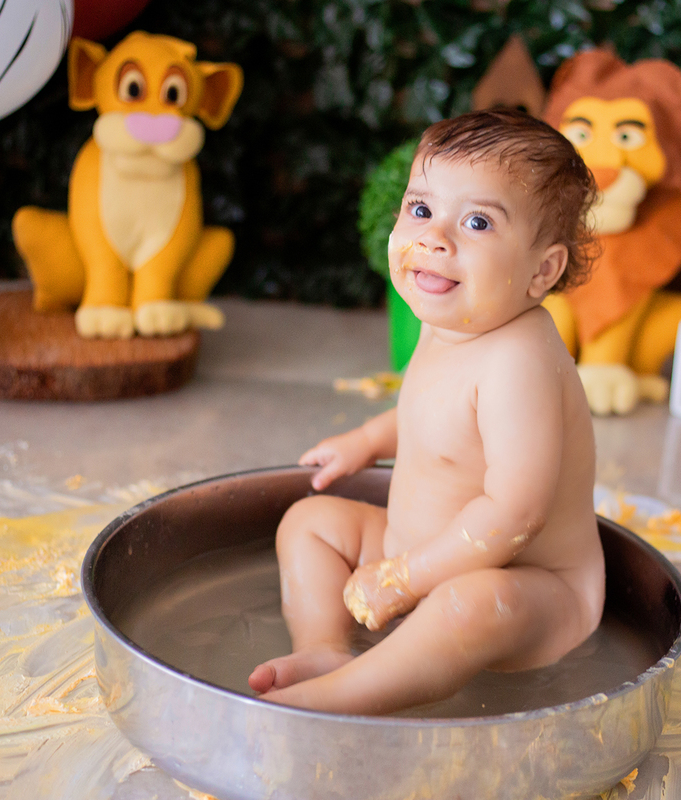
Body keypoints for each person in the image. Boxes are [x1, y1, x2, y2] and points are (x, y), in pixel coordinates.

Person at [248, 108, 604, 714]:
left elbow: (516, 513)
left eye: (476, 222)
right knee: (307, 525)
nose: (436, 238)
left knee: (466, 607)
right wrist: (368, 438)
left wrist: (407, 578)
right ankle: (327, 648)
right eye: (420, 210)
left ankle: (342, 699)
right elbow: (432, 420)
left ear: (542, 270)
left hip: (525, 589)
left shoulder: (521, 360)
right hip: (409, 551)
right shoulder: (453, 323)